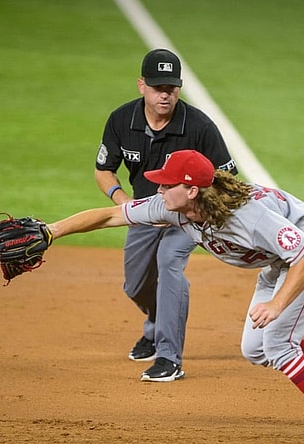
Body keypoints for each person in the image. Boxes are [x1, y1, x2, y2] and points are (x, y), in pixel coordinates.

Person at [50, 150, 304, 444]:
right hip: (281, 259)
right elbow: (110, 215)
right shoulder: (173, 208)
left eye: (167, 185)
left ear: (192, 190)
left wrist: (277, 303)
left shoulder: (247, 216)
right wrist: (50, 231)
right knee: (255, 349)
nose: (159, 190)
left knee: (279, 344)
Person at [94, 48, 238, 382]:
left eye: (171, 87)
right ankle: (158, 323)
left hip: (186, 216)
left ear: (179, 88)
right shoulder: (121, 120)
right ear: (142, 85)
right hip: (145, 210)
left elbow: (228, 177)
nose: (165, 94)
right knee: (135, 285)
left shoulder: (199, 126)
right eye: (158, 86)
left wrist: (200, 209)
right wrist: (124, 202)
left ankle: (169, 357)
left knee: (170, 266)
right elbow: (103, 170)